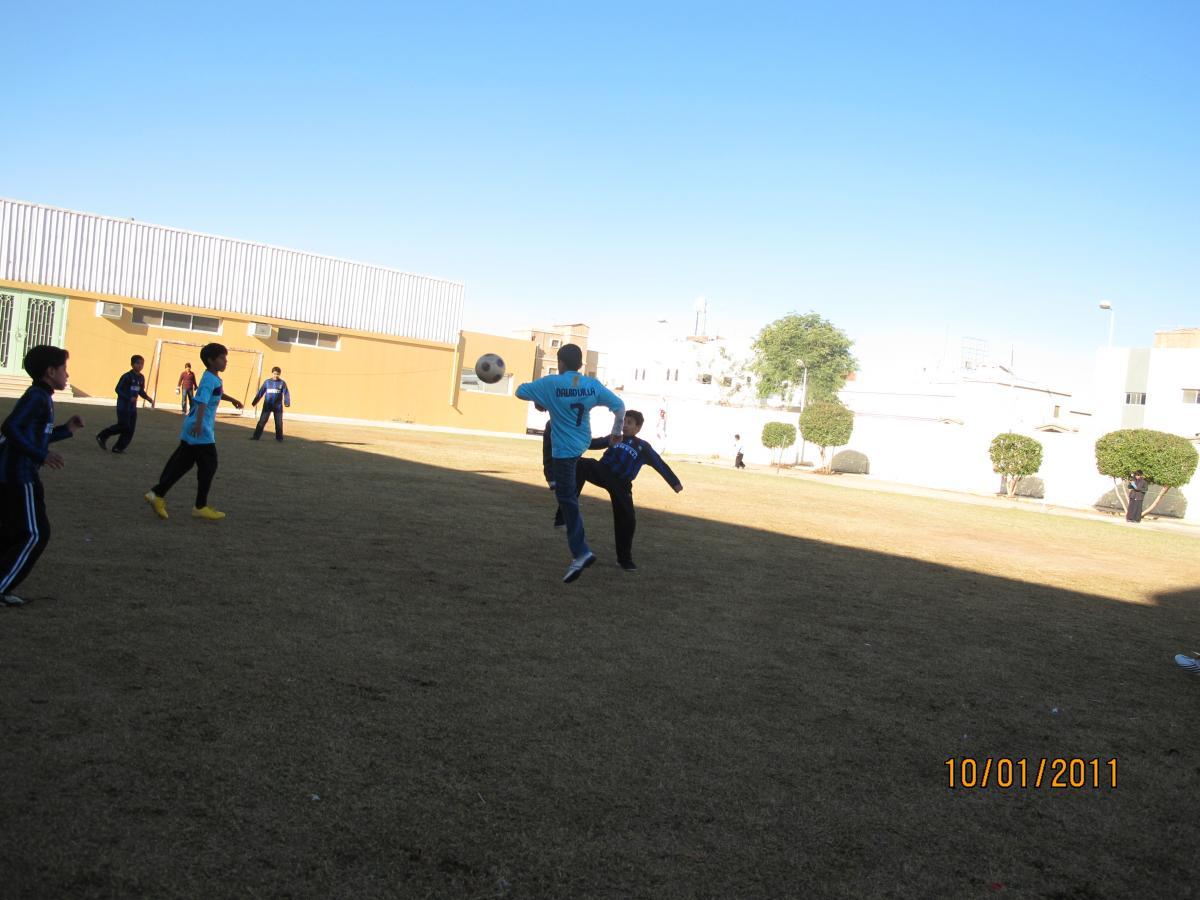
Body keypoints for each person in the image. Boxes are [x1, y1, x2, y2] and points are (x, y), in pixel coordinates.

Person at [516, 343, 624, 583]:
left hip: (564, 450)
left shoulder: (551, 383)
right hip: (582, 441)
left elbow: (520, 391)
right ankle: (554, 479)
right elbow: (619, 407)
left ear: (560, 362)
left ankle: (581, 552)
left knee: (567, 499)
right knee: (565, 491)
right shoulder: (591, 385)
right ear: (581, 365)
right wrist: (616, 432)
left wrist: (540, 398)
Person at [0, 345, 84, 606]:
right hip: (17, 475)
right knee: (34, 534)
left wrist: (66, 430)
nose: (67, 375)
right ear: (50, 371)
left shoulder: (42, 396)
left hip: (21, 475)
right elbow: (10, 427)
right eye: (64, 369)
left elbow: (36, 434)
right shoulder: (37, 396)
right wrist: (41, 455)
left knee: (14, 533)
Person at [552, 410, 683, 571]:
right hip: (603, 471)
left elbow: (659, 463)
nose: (624, 425)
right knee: (581, 464)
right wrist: (573, 439)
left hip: (622, 484)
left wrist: (675, 483)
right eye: (623, 422)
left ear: (638, 427)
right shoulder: (615, 437)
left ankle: (624, 559)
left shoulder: (643, 446)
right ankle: (563, 516)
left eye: (629, 423)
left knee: (628, 520)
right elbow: (592, 444)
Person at [144, 342, 243, 521]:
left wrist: (232, 399)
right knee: (209, 465)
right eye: (222, 358)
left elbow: (215, 393)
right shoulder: (209, 379)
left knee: (183, 463)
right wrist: (199, 424)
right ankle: (200, 506)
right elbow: (202, 401)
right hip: (201, 428)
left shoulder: (212, 378)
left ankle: (156, 494)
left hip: (195, 425)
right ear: (211, 360)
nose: (225, 361)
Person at [96, 355, 154, 453]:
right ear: (132, 364)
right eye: (138, 363)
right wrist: (128, 397)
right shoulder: (126, 376)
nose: (140, 365)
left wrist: (148, 398)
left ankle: (118, 447)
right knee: (123, 425)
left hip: (132, 408)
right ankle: (102, 436)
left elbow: (140, 391)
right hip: (123, 406)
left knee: (130, 429)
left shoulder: (141, 378)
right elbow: (118, 389)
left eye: (142, 364)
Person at [251, 366, 291, 441]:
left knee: (279, 423)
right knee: (262, 421)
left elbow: (286, 393)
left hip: (278, 407)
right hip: (267, 406)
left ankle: (279, 438)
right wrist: (254, 402)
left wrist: (287, 402)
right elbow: (261, 392)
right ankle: (256, 437)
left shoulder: (282, 383)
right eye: (274, 374)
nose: (276, 375)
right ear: (272, 373)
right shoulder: (267, 382)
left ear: (279, 374)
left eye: (277, 374)